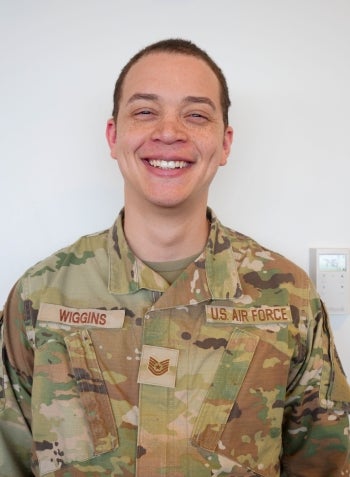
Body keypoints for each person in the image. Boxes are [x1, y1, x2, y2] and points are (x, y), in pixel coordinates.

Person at [0, 38, 349, 477]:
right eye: (145, 111)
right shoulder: (41, 296)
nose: (169, 132)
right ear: (114, 135)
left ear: (224, 144)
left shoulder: (289, 297)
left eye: (196, 114)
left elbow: (328, 464)